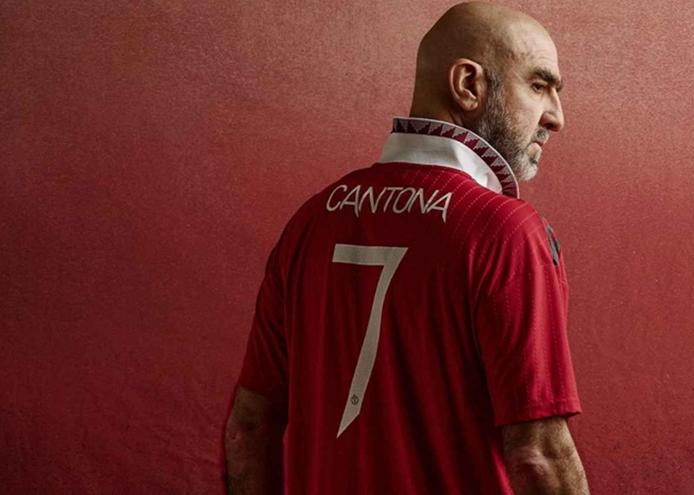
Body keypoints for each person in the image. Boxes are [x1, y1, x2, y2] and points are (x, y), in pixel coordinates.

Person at [223, 2, 590, 493]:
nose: (556, 117)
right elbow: (539, 456)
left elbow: (248, 430)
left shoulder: (311, 221)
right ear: (468, 85)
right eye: (539, 86)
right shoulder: (505, 232)